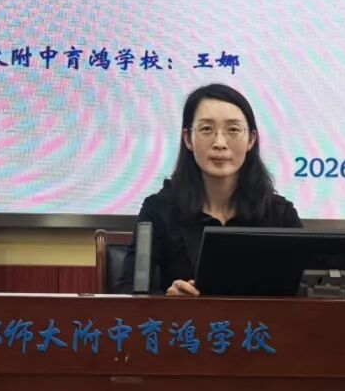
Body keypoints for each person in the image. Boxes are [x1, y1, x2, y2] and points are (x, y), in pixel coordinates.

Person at [115, 83, 301, 295]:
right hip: (185, 318)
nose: (220, 143)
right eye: (206, 129)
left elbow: (305, 292)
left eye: (233, 130)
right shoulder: (158, 210)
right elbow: (127, 290)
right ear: (188, 139)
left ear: (251, 140)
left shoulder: (280, 214)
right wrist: (168, 300)